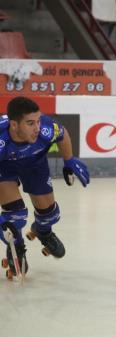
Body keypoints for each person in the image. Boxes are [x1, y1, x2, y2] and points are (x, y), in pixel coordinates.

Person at [0, 96, 89, 279]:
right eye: (30, 123)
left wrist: (69, 161)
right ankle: (16, 246)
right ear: (14, 125)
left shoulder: (46, 129)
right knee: (14, 218)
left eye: (38, 121)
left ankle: (43, 231)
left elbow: (62, 134)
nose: (37, 128)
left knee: (50, 214)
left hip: (35, 165)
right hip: (4, 168)